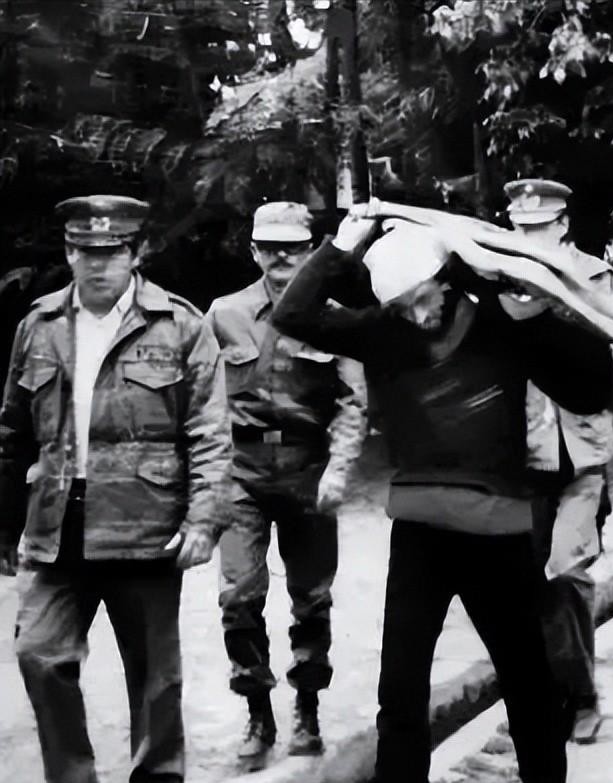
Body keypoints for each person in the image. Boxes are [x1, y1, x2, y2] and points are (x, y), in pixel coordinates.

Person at [270, 206, 613, 783]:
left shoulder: (502, 325)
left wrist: (544, 314)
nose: (417, 315)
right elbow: (292, 313)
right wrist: (339, 248)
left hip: (499, 531)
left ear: (445, 280)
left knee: (530, 684)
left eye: (423, 298)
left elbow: (592, 391)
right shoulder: (382, 333)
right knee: (400, 690)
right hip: (421, 534)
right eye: (402, 307)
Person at [0, 195, 232, 783]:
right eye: (85, 252)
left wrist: (204, 519)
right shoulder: (40, 325)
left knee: (155, 677)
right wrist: (4, 524)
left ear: (137, 252)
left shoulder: (180, 325)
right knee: (38, 654)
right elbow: (12, 432)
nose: (97, 264)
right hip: (57, 524)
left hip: (145, 525)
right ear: (68, 253)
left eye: (111, 251)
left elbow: (209, 432)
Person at [205, 202, 368, 766]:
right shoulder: (224, 314)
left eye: (293, 248)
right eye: (270, 247)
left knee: (312, 599)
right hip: (242, 470)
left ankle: (307, 706)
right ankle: (257, 710)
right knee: (238, 597)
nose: (281, 257)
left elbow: (353, 402)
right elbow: (202, 400)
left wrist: (340, 470)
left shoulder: (333, 317)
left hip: (307, 469)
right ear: (253, 251)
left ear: (309, 251)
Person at [509, 178, 613, 743]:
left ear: (563, 226)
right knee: (528, 582)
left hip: (583, 456)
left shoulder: (596, 278)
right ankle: (552, 691)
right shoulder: (497, 280)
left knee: (566, 572)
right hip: (521, 457)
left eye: (541, 227)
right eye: (521, 227)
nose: (530, 236)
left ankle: (581, 694)